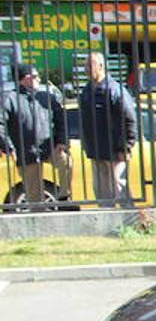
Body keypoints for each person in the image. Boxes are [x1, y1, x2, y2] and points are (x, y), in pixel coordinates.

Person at [0, 64, 69, 208]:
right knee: (34, 196)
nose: (39, 79)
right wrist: (8, 147)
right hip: (26, 152)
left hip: (49, 147)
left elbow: (61, 119)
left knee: (66, 162)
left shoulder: (46, 97)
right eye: (35, 76)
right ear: (24, 79)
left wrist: (61, 141)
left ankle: (63, 196)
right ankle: (39, 218)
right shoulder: (10, 99)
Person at [78, 52, 138, 208]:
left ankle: (129, 221)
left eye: (89, 65)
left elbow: (129, 119)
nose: (86, 69)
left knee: (119, 186)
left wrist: (126, 146)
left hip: (115, 150)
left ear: (101, 66)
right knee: (101, 191)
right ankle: (106, 222)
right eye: (85, 65)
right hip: (95, 151)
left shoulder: (115, 90)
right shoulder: (86, 91)